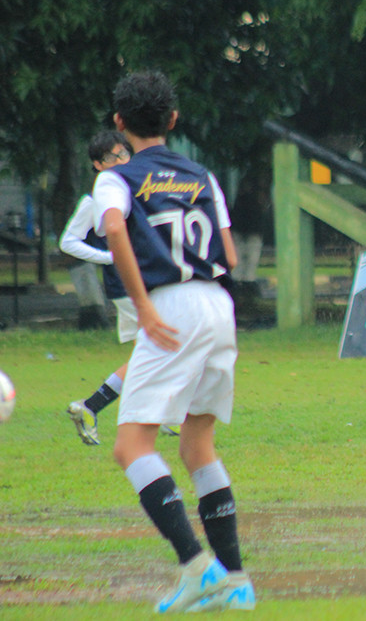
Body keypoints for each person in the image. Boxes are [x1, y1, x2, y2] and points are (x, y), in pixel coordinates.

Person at [92, 70, 253, 611]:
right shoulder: (203, 175)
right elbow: (229, 257)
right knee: (196, 445)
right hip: (217, 305)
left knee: (130, 445)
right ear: (174, 121)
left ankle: (195, 565)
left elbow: (114, 228)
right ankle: (237, 581)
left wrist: (141, 306)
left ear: (119, 124)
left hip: (171, 309)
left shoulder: (118, 177)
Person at [61, 130, 177, 444]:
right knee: (165, 346)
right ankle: (95, 407)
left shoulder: (134, 188)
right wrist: (109, 256)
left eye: (124, 154)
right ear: (98, 165)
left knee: (153, 350)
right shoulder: (96, 197)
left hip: (144, 281)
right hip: (128, 285)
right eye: (113, 157)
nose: (122, 160)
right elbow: (68, 241)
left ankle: (157, 413)